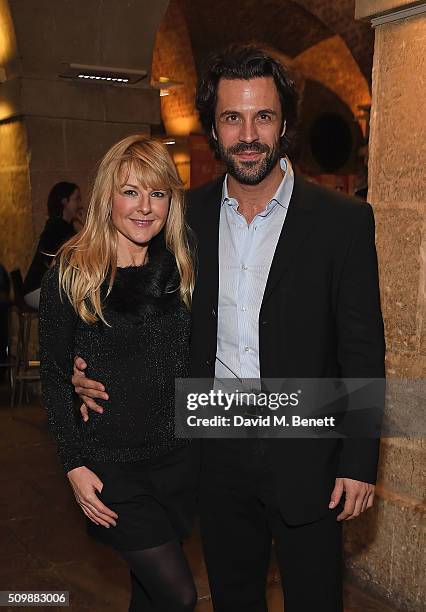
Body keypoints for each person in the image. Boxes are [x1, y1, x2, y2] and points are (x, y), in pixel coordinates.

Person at [72, 46, 385, 612]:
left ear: (284, 123)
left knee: (316, 599)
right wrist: (85, 364)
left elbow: (362, 346)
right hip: (213, 455)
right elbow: (135, 316)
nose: (248, 134)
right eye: (232, 118)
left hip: (307, 452)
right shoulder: (180, 219)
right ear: (214, 129)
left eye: (262, 117)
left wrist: (359, 462)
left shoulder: (342, 222)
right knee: (234, 598)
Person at [39, 136, 198, 612]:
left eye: (158, 193)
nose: (145, 208)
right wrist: (73, 464)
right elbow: (51, 374)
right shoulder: (73, 273)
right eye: (131, 192)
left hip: (178, 462)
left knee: (149, 596)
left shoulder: (181, 268)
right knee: (180, 595)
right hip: (113, 468)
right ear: (108, 195)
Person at [23, 181, 84, 309]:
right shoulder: (56, 228)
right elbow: (58, 263)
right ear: (64, 202)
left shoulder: (65, 227)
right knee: (82, 295)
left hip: (45, 286)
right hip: (37, 288)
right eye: (77, 199)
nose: (80, 204)